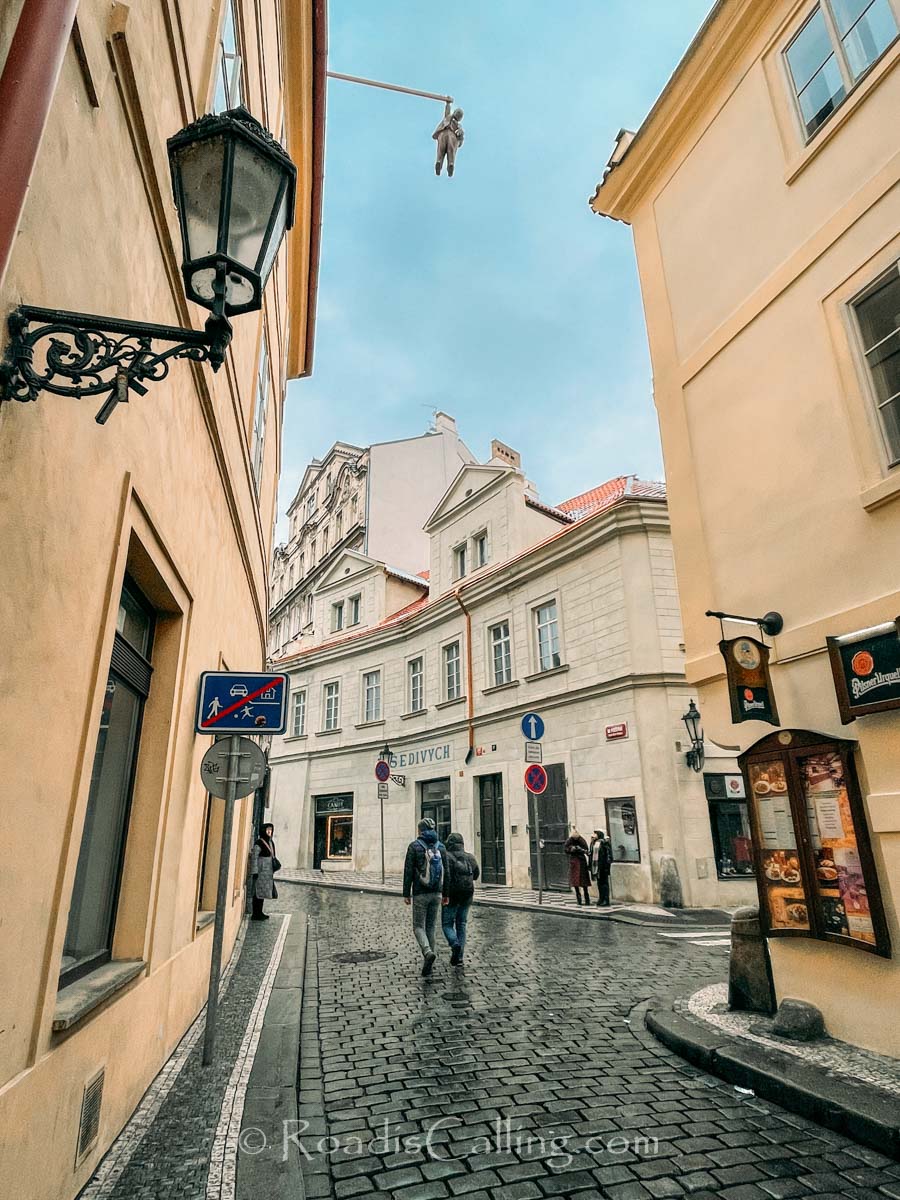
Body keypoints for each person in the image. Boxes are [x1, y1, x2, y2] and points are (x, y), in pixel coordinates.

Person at [403, 817, 447, 976]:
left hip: (420, 893)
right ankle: (429, 964)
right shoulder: (441, 847)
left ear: (420, 830)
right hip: (437, 893)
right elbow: (446, 871)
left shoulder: (414, 846)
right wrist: (445, 893)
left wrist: (406, 893)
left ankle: (428, 953)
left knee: (418, 927)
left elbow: (408, 871)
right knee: (431, 927)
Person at [442, 832, 479, 965]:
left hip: (452, 895)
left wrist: (444, 895)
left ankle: (454, 944)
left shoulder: (446, 856)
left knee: (446, 924)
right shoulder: (470, 857)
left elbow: (445, 877)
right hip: (467, 894)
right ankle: (460, 958)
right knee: (461, 924)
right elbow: (476, 875)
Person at [250, 822, 279, 920]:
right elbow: (254, 857)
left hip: (268, 872)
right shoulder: (259, 842)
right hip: (261, 871)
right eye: (268, 830)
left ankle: (260, 912)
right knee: (258, 893)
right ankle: (255, 913)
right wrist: (254, 871)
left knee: (263, 893)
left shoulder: (271, 842)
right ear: (263, 831)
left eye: (271, 830)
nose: (269, 832)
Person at [433, 100, 465, 177]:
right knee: (449, 150)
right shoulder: (454, 122)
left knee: (443, 150)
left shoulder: (451, 120)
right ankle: (447, 163)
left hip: (445, 134)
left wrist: (448, 103)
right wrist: (448, 104)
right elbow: (460, 138)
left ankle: (442, 163)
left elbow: (447, 111)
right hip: (449, 135)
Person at [564, 828, 591, 906]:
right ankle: (579, 899)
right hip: (575, 862)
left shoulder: (581, 840)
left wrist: (581, 850)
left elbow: (586, 849)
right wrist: (571, 849)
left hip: (581, 861)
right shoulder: (570, 840)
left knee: (584, 882)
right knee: (576, 882)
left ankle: (586, 899)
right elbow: (566, 849)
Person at [589, 828, 613, 907]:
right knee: (599, 884)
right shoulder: (595, 843)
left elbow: (607, 856)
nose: (594, 835)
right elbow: (591, 854)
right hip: (597, 867)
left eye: (595, 833)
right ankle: (601, 898)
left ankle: (606, 900)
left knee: (604, 884)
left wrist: (606, 866)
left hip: (603, 867)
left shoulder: (603, 843)